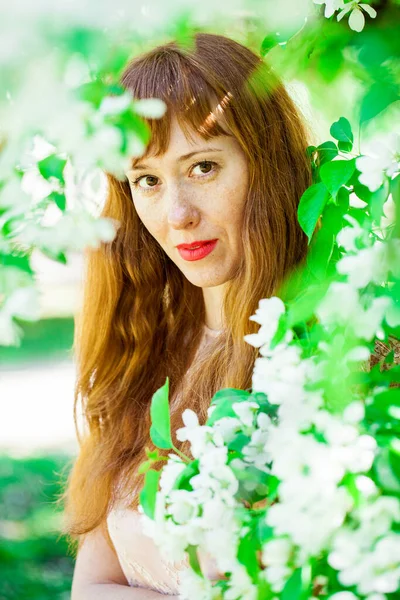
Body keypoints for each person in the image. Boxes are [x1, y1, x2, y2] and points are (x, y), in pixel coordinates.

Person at [60, 31, 314, 598]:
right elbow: (91, 586)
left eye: (202, 167)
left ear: (265, 163)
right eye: (147, 180)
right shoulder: (144, 353)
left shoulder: (336, 357)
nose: (177, 215)